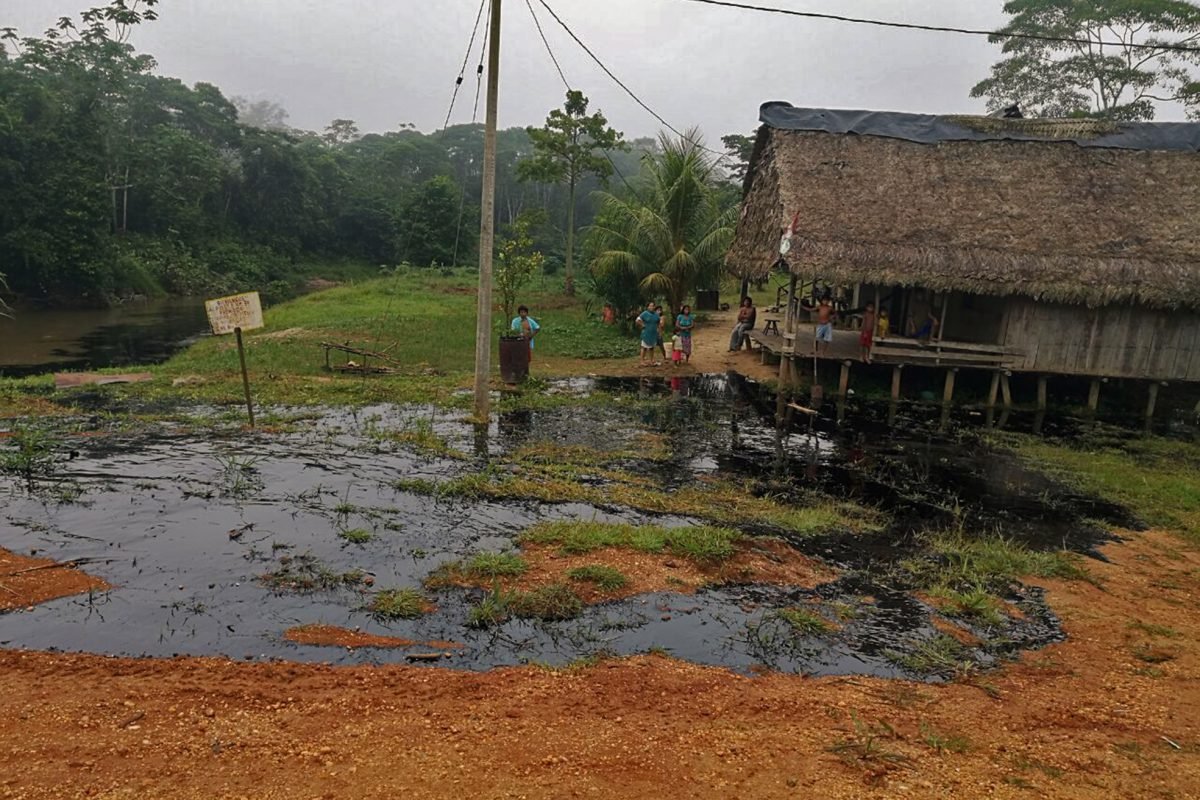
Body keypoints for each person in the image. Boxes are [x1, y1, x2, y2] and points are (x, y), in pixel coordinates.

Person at [636, 301, 661, 367]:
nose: (651, 307)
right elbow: (637, 320)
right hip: (646, 333)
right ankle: (642, 361)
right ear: (648, 307)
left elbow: (658, 323)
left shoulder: (656, 315)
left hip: (653, 333)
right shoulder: (644, 313)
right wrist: (642, 325)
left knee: (652, 347)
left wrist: (659, 330)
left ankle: (651, 360)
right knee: (644, 347)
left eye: (653, 306)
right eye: (650, 306)